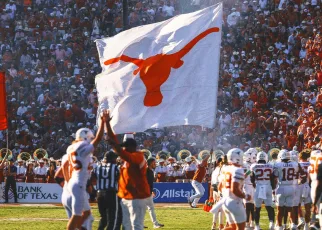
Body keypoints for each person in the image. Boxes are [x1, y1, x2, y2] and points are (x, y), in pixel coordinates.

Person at [62, 110, 107, 230]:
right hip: (78, 183)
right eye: (89, 138)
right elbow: (97, 139)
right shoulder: (81, 146)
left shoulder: (72, 147)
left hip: (75, 181)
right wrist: (103, 122)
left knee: (87, 213)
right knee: (76, 215)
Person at [106, 112, 151, 230]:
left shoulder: (138, 156)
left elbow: (120, 151)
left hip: (137, 197)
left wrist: (114, 145)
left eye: (125, 146)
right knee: (127, 225)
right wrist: (107, 124)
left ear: (132, 147)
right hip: (127, 196)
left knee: (136, 225)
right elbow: (117, 147)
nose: (124, 148)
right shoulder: (127, 158)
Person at [219, 148, 249, 230]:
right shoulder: (238, 169)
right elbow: (234, 189)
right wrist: (245, 196)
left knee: (232, 227)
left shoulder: (225, 168)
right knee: (240, 228)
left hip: (226, 201)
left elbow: (220, 186)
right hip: (234, 202)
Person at [92, 151, 122, 230]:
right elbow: (120, 179)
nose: (116, 159)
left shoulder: (98, 166)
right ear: (112, 159)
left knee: (103, 217)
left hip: (99, 194)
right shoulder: (115, 167)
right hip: (110, 193)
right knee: (112, 218)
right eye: (115, 158)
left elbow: (91, 178)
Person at [273, 150, 302, 230]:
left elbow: (275, 177)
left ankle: (279, 226)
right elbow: (300, 173)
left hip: (281, 187)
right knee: (291, 208)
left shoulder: (278, 164)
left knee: (280, 209)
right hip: (291, 187)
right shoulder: (295, 164)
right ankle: (293, 225)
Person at [250, 151, 275, 230]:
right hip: (267, 187)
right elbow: (272, 178)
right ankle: (271, 224)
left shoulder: (254, 166)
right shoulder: (270, 166)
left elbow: (252, 178)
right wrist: (272, 187)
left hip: (259, 187)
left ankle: (257, 226)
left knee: (257, 208)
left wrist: (254, 184)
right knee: (269, 206)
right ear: (265, 158)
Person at [146, 157, 164, 228]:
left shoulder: (150, 171)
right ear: (150, 163)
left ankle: (155, 223)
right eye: (154, 163)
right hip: (144, 192)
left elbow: (150, 182)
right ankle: (155, 224)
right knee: (148, 208)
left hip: (147, 192)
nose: (155, 164)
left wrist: (152, 190)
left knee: (149, 208)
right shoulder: (146, 171)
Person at [309, 150, 322, 230]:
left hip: (315, 183)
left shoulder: (313, 159)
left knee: (317, 207)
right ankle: (315, 223)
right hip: (317, 182)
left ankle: (314, 222)